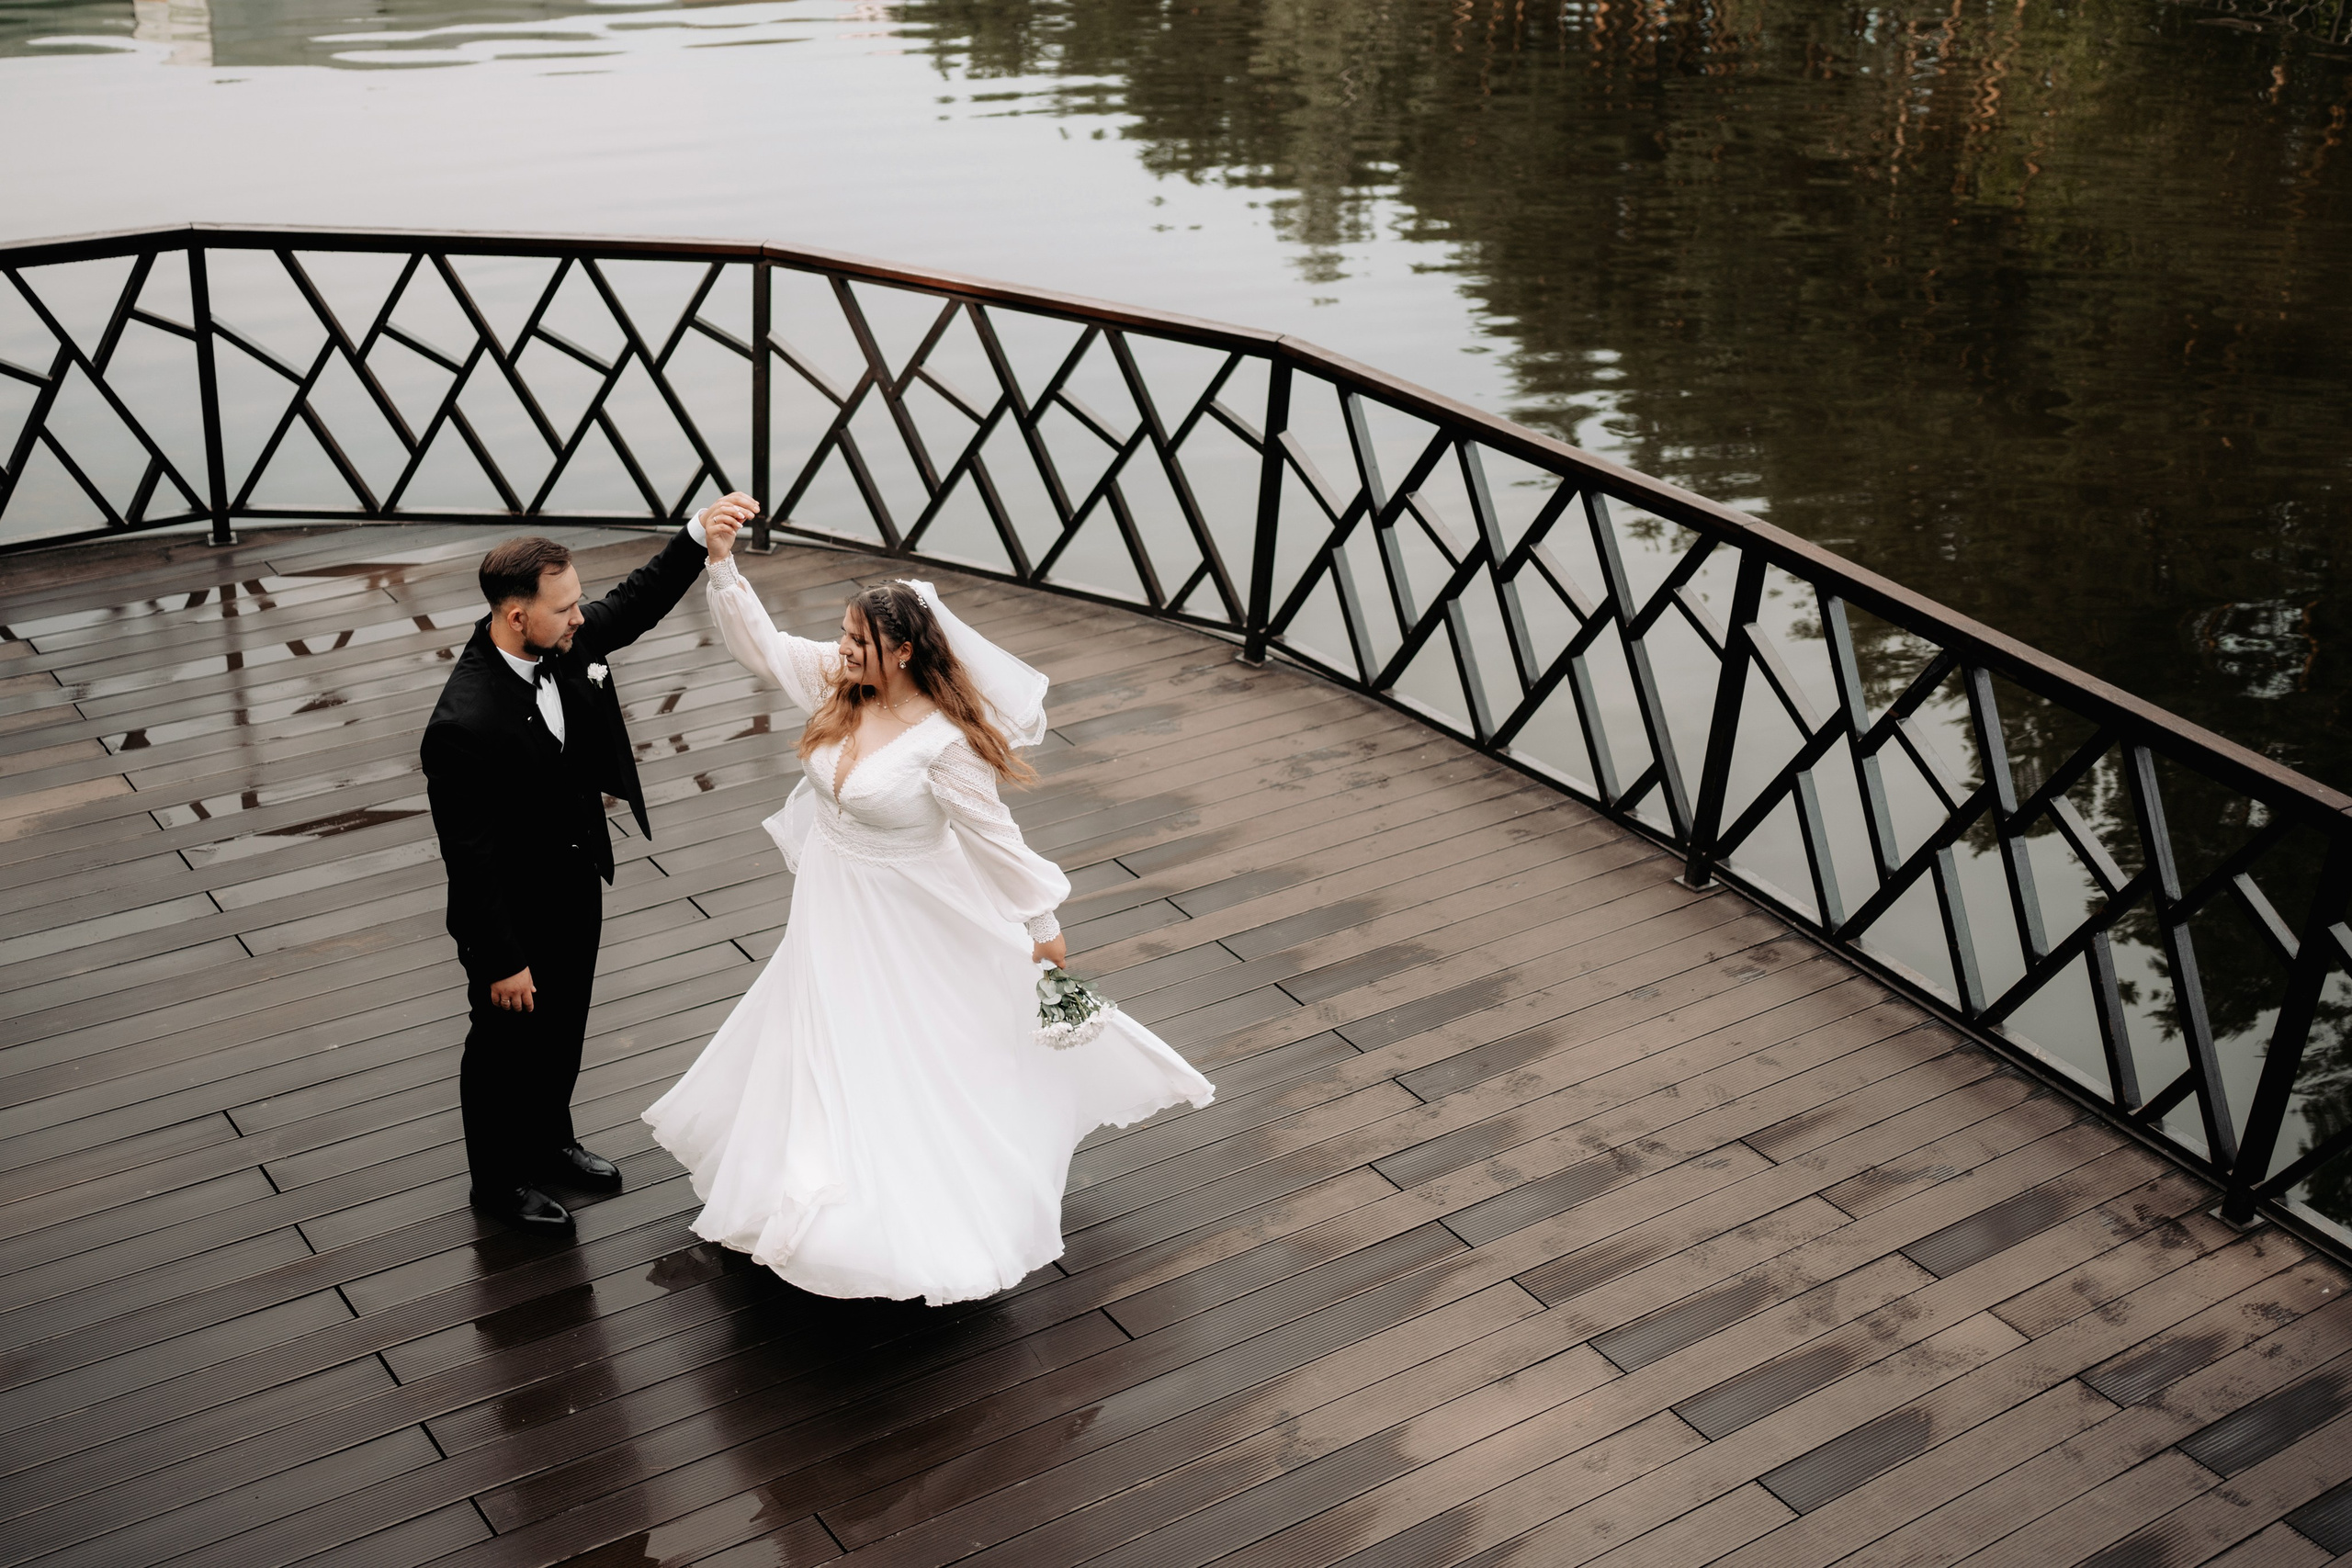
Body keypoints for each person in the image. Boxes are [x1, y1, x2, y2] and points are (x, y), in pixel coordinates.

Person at [641, 509, 1215, 1305]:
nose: (843, 649)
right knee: (818, 1036)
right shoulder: (841, 682)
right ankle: (794, 1186)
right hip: (831, 905)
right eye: (844, 635)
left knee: (899, 1049)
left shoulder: (943, 744)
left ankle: (903, 1216)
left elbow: (996, 838)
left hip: (908, 916)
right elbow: (765, 647)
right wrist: (722, 566)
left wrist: (1043, 925)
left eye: (859, 640)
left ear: (905, 650)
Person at [422, 501, 759, 1233]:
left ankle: (550, 1141)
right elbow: (470, 859)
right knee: (502, 1047)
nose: (580, 616)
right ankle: (499, 1183)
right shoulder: (462, 725)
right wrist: (503, 959)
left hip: (576, 882)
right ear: (517, 616)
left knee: (564, 1025)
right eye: (565, 607)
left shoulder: (565, 642)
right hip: (510, 916)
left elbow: (634, 603)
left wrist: (696, 537)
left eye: (578, 601)